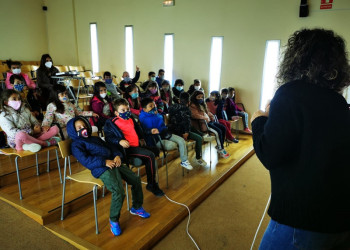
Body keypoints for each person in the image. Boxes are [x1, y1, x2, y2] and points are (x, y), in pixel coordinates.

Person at [251, 28, 350, 249]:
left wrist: (259, 120)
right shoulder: (338, 102)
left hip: (303, 222)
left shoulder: (290, 93)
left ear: (296, 58)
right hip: (339, 218)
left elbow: (270, 153)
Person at [67, 116, 150, 236]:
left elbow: (110, 147)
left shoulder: (95, 138)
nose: (82, 129)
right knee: (118, 191)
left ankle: (136, 207)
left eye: (84, 126)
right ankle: (114, 220)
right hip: (100, 168)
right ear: (73, 131)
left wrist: (117, 155)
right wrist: (104, 162)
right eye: (78, 127)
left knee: (136, 179)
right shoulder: (76, 145)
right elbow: (86, 161)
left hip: (114, 162)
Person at [103, 98, 164, 196]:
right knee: (150, 155)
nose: (126, 112)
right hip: (127, 149)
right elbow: (109, 138)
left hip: (136, 146)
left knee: (155, 151)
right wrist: (119, 141)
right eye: (123, 110)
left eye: (127, 109)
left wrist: (148, 132)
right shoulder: (112, 122)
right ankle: (152, 185)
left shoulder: (130, 119)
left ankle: (142, 161)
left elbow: (139, 130)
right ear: (116, 113)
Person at [139, 97, 193, 170]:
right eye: (150, 106)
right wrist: (155, 116)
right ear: (144, 109)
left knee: (181, 140)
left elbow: (162, 126)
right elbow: (150, 131)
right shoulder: (143, 118)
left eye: (154, 105)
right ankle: (181, 149)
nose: (153, 107)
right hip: (155, 140)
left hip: (164, 134)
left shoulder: (157, 114)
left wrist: (156, 115)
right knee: (172, 145)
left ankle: (184, 161)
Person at [168, 92, 207, 167]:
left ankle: (203, 134)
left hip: (173, 130)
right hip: (181, 132)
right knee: (199, 138)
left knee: (192, 128)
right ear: (189, 102)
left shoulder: (172, 107)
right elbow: (186, 122)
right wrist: (186, 132)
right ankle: (198, 158)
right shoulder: (187, 110)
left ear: (179, 100)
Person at [189, 90, 230, 158]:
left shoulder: (202, 104)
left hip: (209, 121)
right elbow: (194, 115)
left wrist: (211, 116)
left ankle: (220, 146)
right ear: (194, 97)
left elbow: (207, 112)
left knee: (223, 128)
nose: (200, 99)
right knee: (218, 132)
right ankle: (221, 148)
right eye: (198, 97)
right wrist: (205, 117)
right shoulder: (192, 105)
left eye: (202, 97)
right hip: (203, 124)